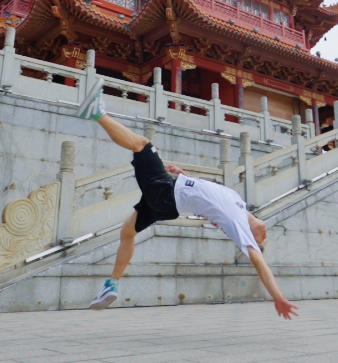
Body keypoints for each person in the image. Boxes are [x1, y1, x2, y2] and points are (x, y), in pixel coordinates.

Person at [76, 78, 299, 320]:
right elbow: (205, 195)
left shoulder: (237, 224)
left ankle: (97, 113)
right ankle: (111, 285)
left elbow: (259, 262)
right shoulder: (238, 203)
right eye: (263, 237)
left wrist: (277, 296)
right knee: (127, 232)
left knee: (142, 144)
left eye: (260, 242)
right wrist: (185, 175)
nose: (263, 236)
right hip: (169, 202)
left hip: (167, 194)